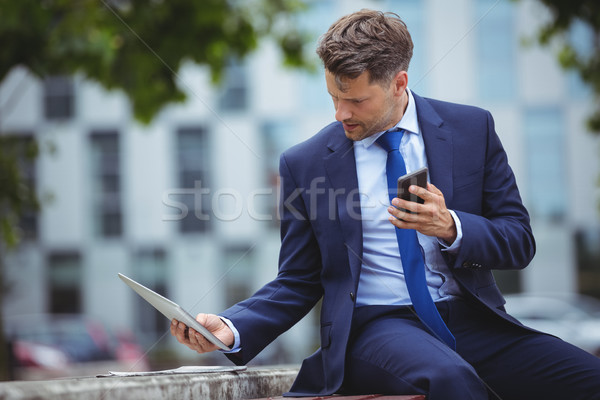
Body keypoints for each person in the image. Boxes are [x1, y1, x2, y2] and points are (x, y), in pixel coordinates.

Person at [171, 9, 600, 399]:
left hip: (473, 321)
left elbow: (518, 241)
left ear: (399, 83)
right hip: (379, 327)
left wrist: (451, 227)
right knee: (450, 380)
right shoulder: (306, 163)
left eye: (356, 100)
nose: (341, 114)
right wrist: (230, 328)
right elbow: (297, 280)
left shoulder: (473, 129)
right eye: (334, 98)